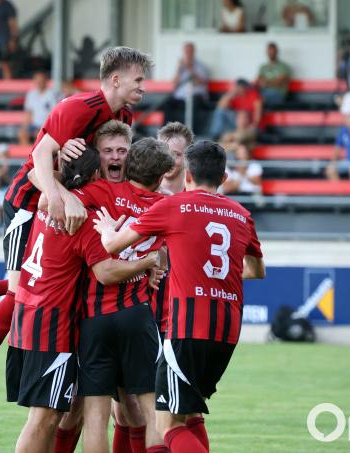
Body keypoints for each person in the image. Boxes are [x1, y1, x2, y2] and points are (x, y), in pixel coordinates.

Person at [0, 47, 152, 414]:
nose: (144, 86)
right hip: (27, 202)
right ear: (116, 79)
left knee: (50, 284)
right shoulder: (77, 108)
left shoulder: (123, 115)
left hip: (61, 204)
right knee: (21, 291)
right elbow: (36, 166)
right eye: (138, 79)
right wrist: (61, 197)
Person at [93, 140, 265, 453]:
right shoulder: (242, 214)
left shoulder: (174, 206)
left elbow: (114, 246)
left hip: (188, 327)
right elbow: (255, 270)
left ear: (186, 175)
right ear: (224, 178)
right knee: (188, 414)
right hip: (228, 330)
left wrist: (106, 230)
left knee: (166, 425)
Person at [70, 137, 175, 453]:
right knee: (152, 411)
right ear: (159, 178)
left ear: (128, 164)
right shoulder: (164, 206)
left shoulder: (101, 191)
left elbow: (61, 195)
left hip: (94, 317)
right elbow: (171, 249)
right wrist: (155, 260)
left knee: (96, 416)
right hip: (136, 314)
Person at [167, 42, 209, 123]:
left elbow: (201, 82)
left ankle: (190, 132)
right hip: (181, 98)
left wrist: (190, 68)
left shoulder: (201, 66)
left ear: (194, 52)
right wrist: (178, 69)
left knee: (193, 102)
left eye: (190, 51)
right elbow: (174, 83)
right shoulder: (180, 67)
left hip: (196, 97)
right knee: (168, 103)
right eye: (186, 52)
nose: (188, 54)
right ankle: (168, 130)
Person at [17, 71, 59, 145]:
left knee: (38, 134)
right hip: (34, 125)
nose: (39, 83)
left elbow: (54, 114)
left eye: (41, 81)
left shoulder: (52, 94)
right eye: (37, 81)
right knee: (22, 134)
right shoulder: (31, 94)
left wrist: (46, 127)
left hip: (46, 125)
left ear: (45, 81)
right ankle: (29, 153)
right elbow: (29, 112)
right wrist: (24, 126)